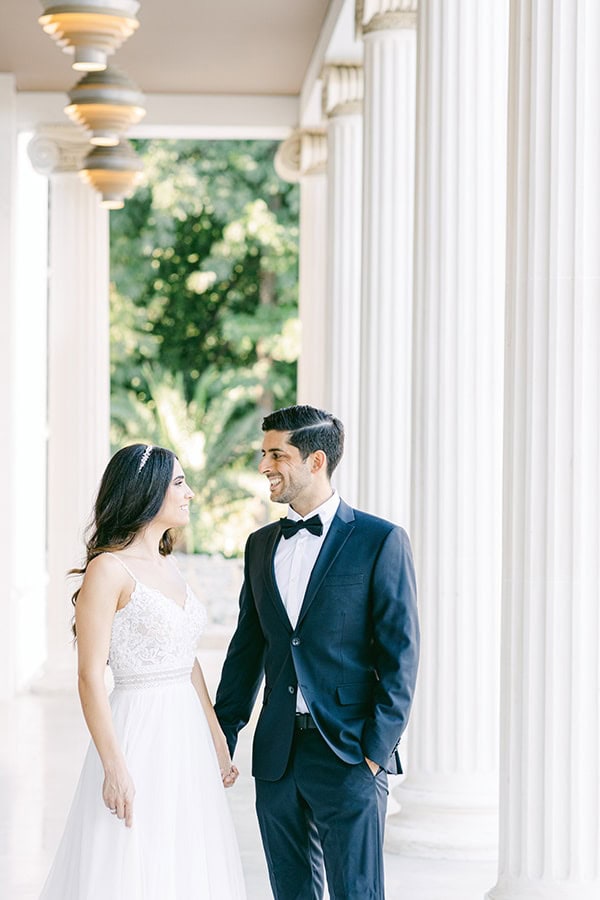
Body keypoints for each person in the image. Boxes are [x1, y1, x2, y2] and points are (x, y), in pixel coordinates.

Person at [214, 405, 420, 900]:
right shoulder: (260, 545)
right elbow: (247, 650)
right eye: (264, 454)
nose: (264, 466)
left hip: (349, 754)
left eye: (276, 454)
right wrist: (222, 735)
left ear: (316, 461)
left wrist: (374, 752)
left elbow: (401, 655)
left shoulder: (380, 540)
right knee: (292, 893)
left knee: (358, 893)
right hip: (277, 756)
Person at [39, 443, 246, 900]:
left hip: (186, 734)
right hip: (138, 731)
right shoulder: (107, 570)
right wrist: (114, 766)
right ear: (146, 493)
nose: (190, 493)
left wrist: (216, 736)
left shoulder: (169, 566)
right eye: (178, 483)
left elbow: (184, 657)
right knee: (133, 857)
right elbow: (89, 676)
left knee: (185, 856)